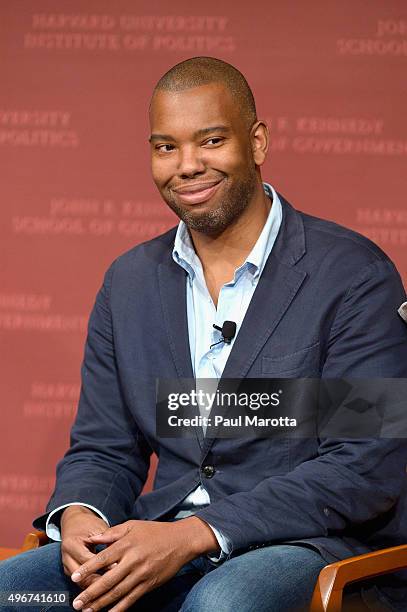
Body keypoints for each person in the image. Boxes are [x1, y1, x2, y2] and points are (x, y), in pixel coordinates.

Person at [1, 56, 407, 612]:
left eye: (211, 141)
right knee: (16, 594)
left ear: (257, 142)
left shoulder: (353, 274)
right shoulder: (129, 282)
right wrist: (81, 516)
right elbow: (104, 447)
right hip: (160, 534)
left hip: (303, 542)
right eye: (165, 147)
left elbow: (361, 466)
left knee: (221, 603)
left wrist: (197, 534)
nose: (186, 165)